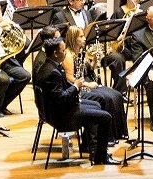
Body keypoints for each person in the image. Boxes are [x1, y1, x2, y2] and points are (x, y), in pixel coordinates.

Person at [34, 31, 116, 165]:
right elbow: (61, 98)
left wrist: (75, 91)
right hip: (62, 116)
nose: (65, 53)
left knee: (97, 105)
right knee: (106, 117)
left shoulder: (49, 66)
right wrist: (76, 86)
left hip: (61, 109)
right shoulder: (52, 72)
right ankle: (101, 157)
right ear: (55, 53)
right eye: (63, 50)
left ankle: (94, 150)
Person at [62, 24, 128, 141]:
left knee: (116, 95)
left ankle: (119, 133)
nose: (84, 39)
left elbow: (88, 69)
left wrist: (96, 59)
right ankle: (106, 137)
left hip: (87, 81)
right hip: (79, 87)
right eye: (81, 36)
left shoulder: (81, 51)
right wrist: (87, 84)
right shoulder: (68, 55)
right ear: (73, 39)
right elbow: (70, 77)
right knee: (106, 98)